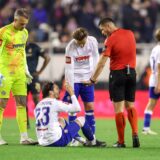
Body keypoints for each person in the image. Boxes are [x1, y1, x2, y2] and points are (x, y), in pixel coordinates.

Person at [83, 18, 140, 148]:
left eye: (103, 29)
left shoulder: (111, 39)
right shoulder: (130, 33)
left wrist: (93, 79)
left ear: (108, 26)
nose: (103, 32)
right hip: (132, 73)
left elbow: (102, 61)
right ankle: (135, 133)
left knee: (119, 109)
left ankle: (121, 141)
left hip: (118, 74)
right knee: (130, 106)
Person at [0, 8, 37, 145]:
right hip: (4, 73)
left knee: (22, 104)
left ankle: (24, 137)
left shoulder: (24, 33)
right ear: (15, 20)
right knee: (1, 104)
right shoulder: (3, 32)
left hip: (19, 74)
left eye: (25, 24)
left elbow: (21, 52)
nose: (23, 27)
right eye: (21, 24)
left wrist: (26, 70)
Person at [63, 27, 105, 146]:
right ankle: (74, 138)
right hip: (74, 78)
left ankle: (92, 137)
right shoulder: (70, 47)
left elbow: (96, 57)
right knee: (73, 108)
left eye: (82, 42)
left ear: (86, 38)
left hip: (87, 78)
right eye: (78, 43)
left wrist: (94, 77)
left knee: (89, 106)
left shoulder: (92, 41)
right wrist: (70, 86)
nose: (80, 45)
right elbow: (69, 68)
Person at [34, 82, 105, 147]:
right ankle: (92, 142)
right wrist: (72, 94)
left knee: (61, 120)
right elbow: (77, 108)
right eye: (56, 89)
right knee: (82, 120)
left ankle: (82, 140)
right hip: (57, 141)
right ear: (51, 92)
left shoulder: (38, 105)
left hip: (42, 142)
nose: (59, 91)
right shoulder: (55, 103)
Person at [26, 31, 50, 128]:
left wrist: (39, 71)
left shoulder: (35, 47)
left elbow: (47, 58)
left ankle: (39, 121)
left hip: (33, 77)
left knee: (36, 99)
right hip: (21, 78)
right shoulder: (17, 48)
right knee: (23, 101)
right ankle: (25, 123)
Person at [142, 28, 160, 135]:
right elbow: (159, 67)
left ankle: (146, 127)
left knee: (151, 104)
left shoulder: (155, 48)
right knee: (151, 103)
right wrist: (159, 84)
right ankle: (146, 128)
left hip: (153, 79)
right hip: (157, 80)